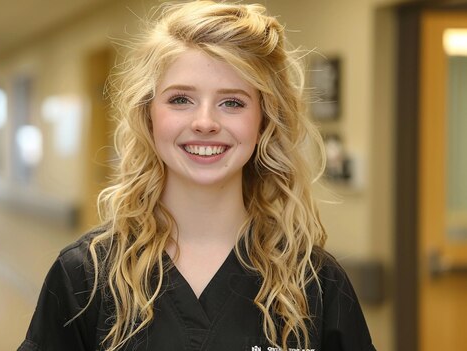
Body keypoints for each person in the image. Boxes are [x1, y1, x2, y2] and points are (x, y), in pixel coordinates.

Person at [18, 1, 376, 350]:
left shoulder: (314, 282)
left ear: (263, 120)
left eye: (232, 102)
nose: (205, 122)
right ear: (148, 115)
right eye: (180, 100)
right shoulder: (86, 276)